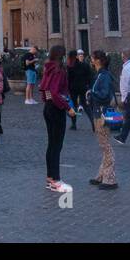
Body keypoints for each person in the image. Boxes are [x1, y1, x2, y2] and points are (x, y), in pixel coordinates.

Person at [39, 45, 75, 193]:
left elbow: (44, 89)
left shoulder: (48, 68)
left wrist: (47, 100)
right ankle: (55, 179)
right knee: (56, 145)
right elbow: (54, 92)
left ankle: (50, 178)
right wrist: (68, 107)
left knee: (51, 144)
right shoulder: (59, 70)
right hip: (56, 108)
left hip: (48, 107)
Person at [87, 51, 119, 189]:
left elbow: (104, 95)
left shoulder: (103, 76)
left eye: (92, 58)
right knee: (103, 144)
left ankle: (110, 179)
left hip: (103, 114)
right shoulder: (101, 74)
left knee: (106, 145)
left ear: (98, 60)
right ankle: (101, 175)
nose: (91, 60)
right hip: (100, 113)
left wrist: (91, 93)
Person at [67, 50, 94, 131]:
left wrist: (67, 88)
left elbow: (68, 79)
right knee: (86, 106)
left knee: (73, 106)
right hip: (83, 88)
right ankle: (93, 123)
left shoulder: (69, 66)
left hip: (73, 88)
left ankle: (74, 124)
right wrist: (89, 86)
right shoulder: (85, 65)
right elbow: (90, 76)